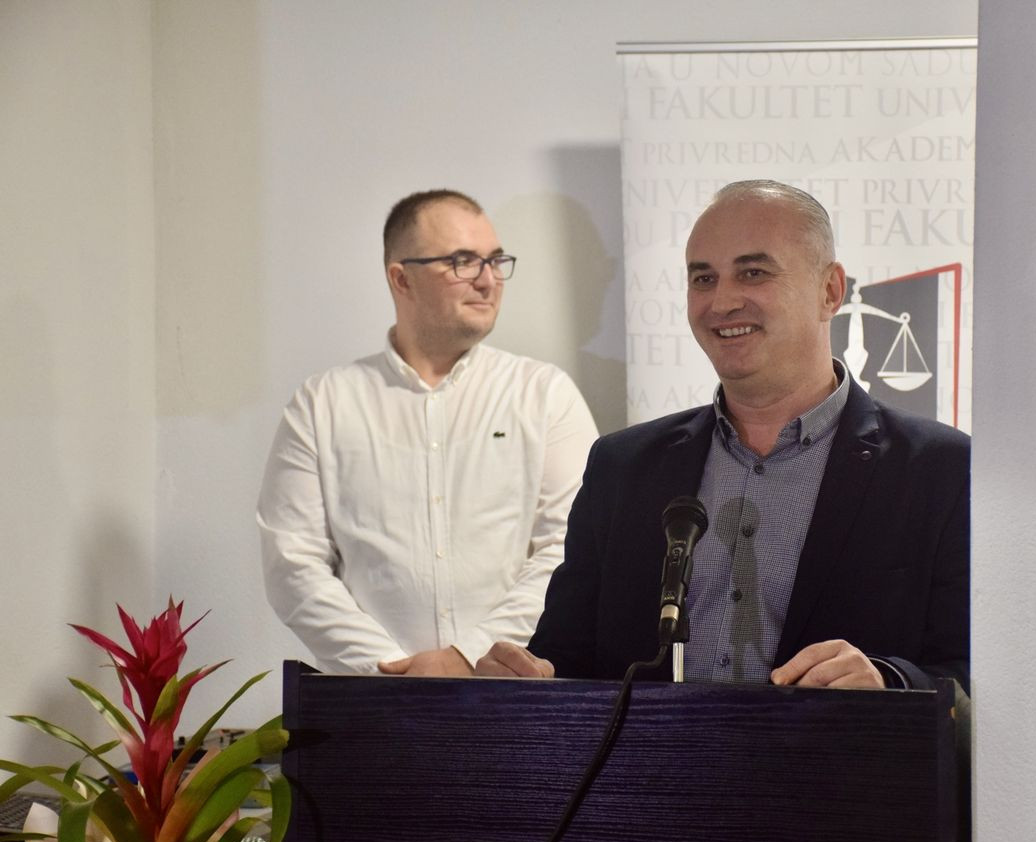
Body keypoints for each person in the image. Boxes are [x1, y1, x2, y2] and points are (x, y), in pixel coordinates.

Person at [476, 180, 969, 691]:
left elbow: (976, 676)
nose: (722, 301)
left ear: (830, 290)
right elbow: (566, 657)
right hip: (651, 749)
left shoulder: (940, 470)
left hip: (838, 747)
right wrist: (524, 679)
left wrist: (889, 683)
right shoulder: (622, 467)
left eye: (753, 273)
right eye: (703, 278)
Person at [258, 189, 598, 676]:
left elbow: (571, 549)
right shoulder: (322, 404)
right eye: (463, 261)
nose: (488, 280)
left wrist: (469, 657)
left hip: (511, 694)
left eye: (495, 260)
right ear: (401, 278)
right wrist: (390, 669)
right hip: (370, 700)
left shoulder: (544, 394)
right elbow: (293, 564)